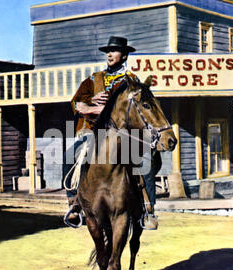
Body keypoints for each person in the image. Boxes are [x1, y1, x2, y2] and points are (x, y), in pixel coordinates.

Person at [63, 36, 161, 230]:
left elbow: (136, 109)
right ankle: (74, 204)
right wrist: (90, 102)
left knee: (146, 162)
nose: (109, 54)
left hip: (123, 134)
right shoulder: (93, 79)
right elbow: (76, 104)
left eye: (114, 51)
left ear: (124, 56)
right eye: (108, 51)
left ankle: (149, 210)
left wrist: (101, 109)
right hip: (93, 131)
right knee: (70, 155)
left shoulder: (131, 81)